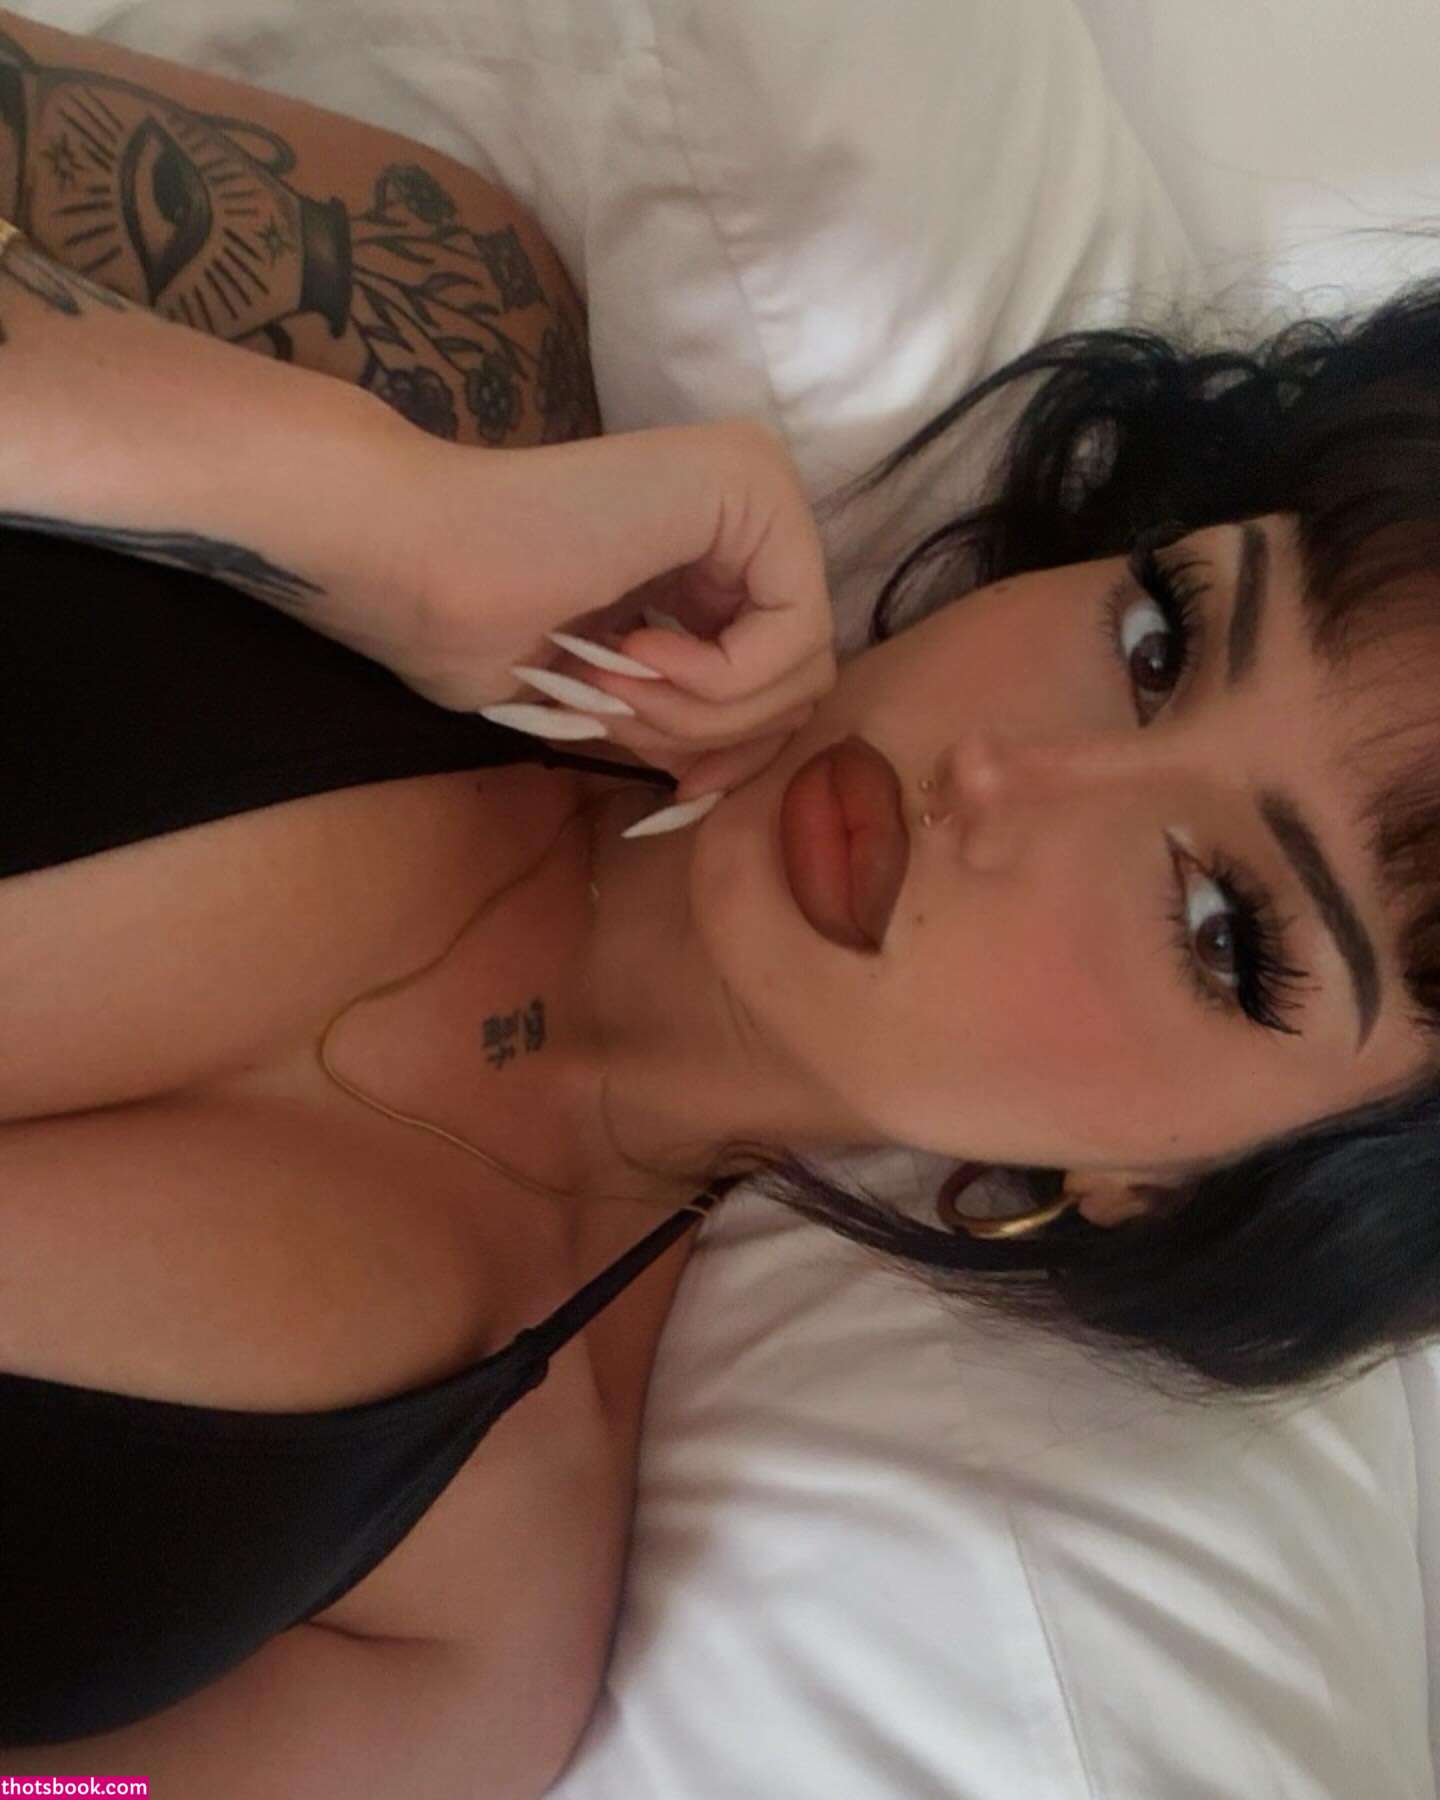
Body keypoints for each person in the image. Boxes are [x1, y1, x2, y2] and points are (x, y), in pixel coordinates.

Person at [4, 7, 1440, 1791]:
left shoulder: (458, 1650)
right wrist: (353, 512)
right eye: (1159, 641)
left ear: (1171, 1190)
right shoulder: (451, 361)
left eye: (1230, 932)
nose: (1010, 776)